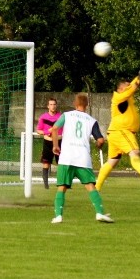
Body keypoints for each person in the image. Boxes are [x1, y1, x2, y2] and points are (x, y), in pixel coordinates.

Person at [51, 93, 113, 224]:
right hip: (83, 158)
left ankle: (58, 216)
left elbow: (55, 128)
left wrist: (56, 146)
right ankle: (99, 213)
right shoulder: (91, 120)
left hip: (67, 156)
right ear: (87, 105)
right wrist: (99, 145)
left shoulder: (67, 115)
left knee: (62, 187)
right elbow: (101, 140)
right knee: (90, 186)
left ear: (75, 104)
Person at [95, 72, 140, 191]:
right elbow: (131, 89)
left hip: (115, 132)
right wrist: (138, 81)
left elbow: (132, 86)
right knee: (134, 152)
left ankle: (96, 188)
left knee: (112, 161)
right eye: (126, 85)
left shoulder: (126, 94)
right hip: (122, 131)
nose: (130, 86)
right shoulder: (118, 97)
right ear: (120, 89)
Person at [35, 98, 62, 189]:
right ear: (48, 106)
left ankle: (61, 183)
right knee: (46, 163)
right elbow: (39, 130)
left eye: (54, 104)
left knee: (61, 163)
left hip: (59, 141)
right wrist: (47, 131)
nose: (53, 106)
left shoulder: (61, 117)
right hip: (47, 142)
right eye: (51, 104)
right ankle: (46, 185)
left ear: (56, 105)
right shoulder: (43, 117)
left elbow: (65, 129)